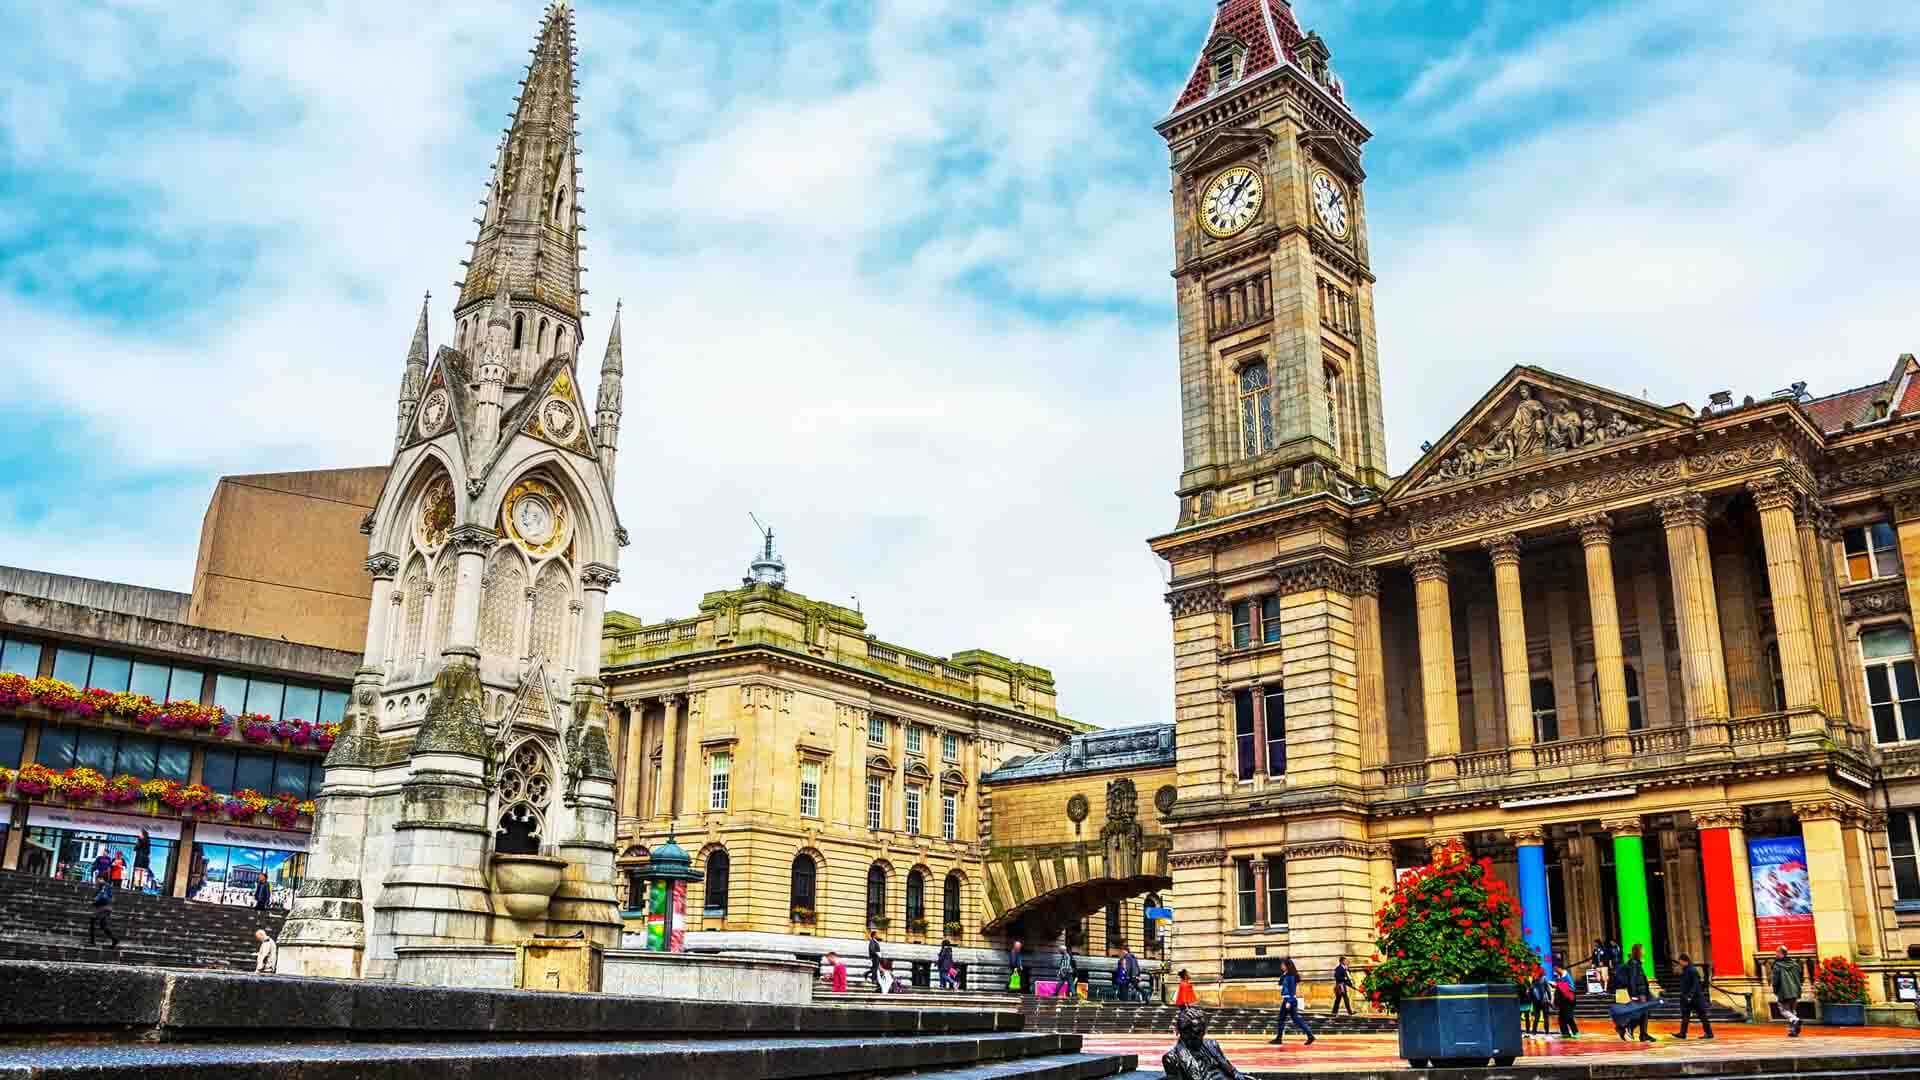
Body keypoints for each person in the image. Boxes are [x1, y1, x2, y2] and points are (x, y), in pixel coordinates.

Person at [1268, 957, 1316, 1045]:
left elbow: (1292, 990)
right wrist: (1283, 975)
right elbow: (1280, 983)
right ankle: (1279, 1038)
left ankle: (1310, 1035)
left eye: (1283, 964)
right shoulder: (1286, 974)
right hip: (1287, 999)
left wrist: (1289, 1001)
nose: (1281, 966)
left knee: (1293, 1019)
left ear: (1287, 966)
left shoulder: (1291, 976)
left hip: (1289, 1000)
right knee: (1284, 1019)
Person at [1615, 943, 1655, 1043]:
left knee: (1644, 1013)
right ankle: (1626, 1028)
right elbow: (1632, 980)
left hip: (1643, 992)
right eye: (1643, 949)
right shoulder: (1634, 963)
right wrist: (1633, 995)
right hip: (1639, 993)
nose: (1644, 951)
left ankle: (1642, 1034)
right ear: (1638, 951)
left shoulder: (1637, 963)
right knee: (1641, 1013)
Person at [1673, 952, 1714, 1040]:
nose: (1680, 964)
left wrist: (1690, 996)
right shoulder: (1686, 970)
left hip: (1695, 998)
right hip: (1687, 997)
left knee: (1702, 1015)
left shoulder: (1692, 970)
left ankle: (1709, 1033)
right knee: (1685, 1015)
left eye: (1680, 962)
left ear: (1685, 961)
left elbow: (1696, 985)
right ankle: (1682, 1033)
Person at [1771, 946, 1803, 1038]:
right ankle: (1793, 1031)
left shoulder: (1777, 965)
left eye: (1777, 952)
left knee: (1784, 1010)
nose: (1776, 954)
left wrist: (1775, 989)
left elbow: (1775, 980)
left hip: (1784, 991)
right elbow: (1800, 976)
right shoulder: (1795, 964)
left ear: (1781, 954)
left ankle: (1795, 1020)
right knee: (1792, 1010)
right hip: (1795, 991)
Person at [87, 878, 119, 948]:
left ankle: (92, 941)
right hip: (105, 908)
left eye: (98, 879)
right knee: (103, 926)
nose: (97, 881)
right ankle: (114, 939)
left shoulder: (104, 886)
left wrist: (95, 900)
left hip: (104, 908)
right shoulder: (102, 887)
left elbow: (103, 897)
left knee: (92, 919)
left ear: (102, 879)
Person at [1553, 961, 1581, 1039]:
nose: (1554, 970)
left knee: (1569, 1017)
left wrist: (1559, 985)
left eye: (1555, 968)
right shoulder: (1559, 976)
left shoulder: (1567, 976)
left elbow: (1572, 988)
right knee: (1561, 1017)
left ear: (1559, 968)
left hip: (1568, 1000)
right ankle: (1565, 1033)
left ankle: (1576, 1032)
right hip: (1562, 1000)